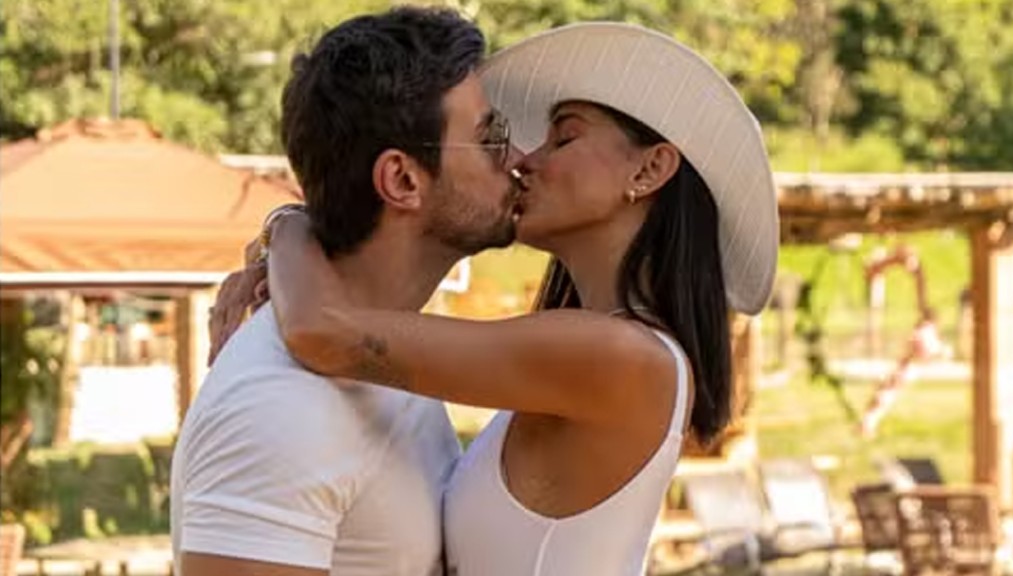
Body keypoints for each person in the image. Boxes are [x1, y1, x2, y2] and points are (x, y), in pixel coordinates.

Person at [219, 22, 779, 576]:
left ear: (650, 168)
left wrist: (288, 224)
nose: (525, 160)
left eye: (564, 138)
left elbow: (322, 332)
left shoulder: (619, 356)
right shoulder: (596, 351)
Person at [171, 7, 521, 576]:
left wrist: (286, 224)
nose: (517, 160)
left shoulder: (384, 350)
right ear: (402, 180)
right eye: (490, 139)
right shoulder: (280, 406)